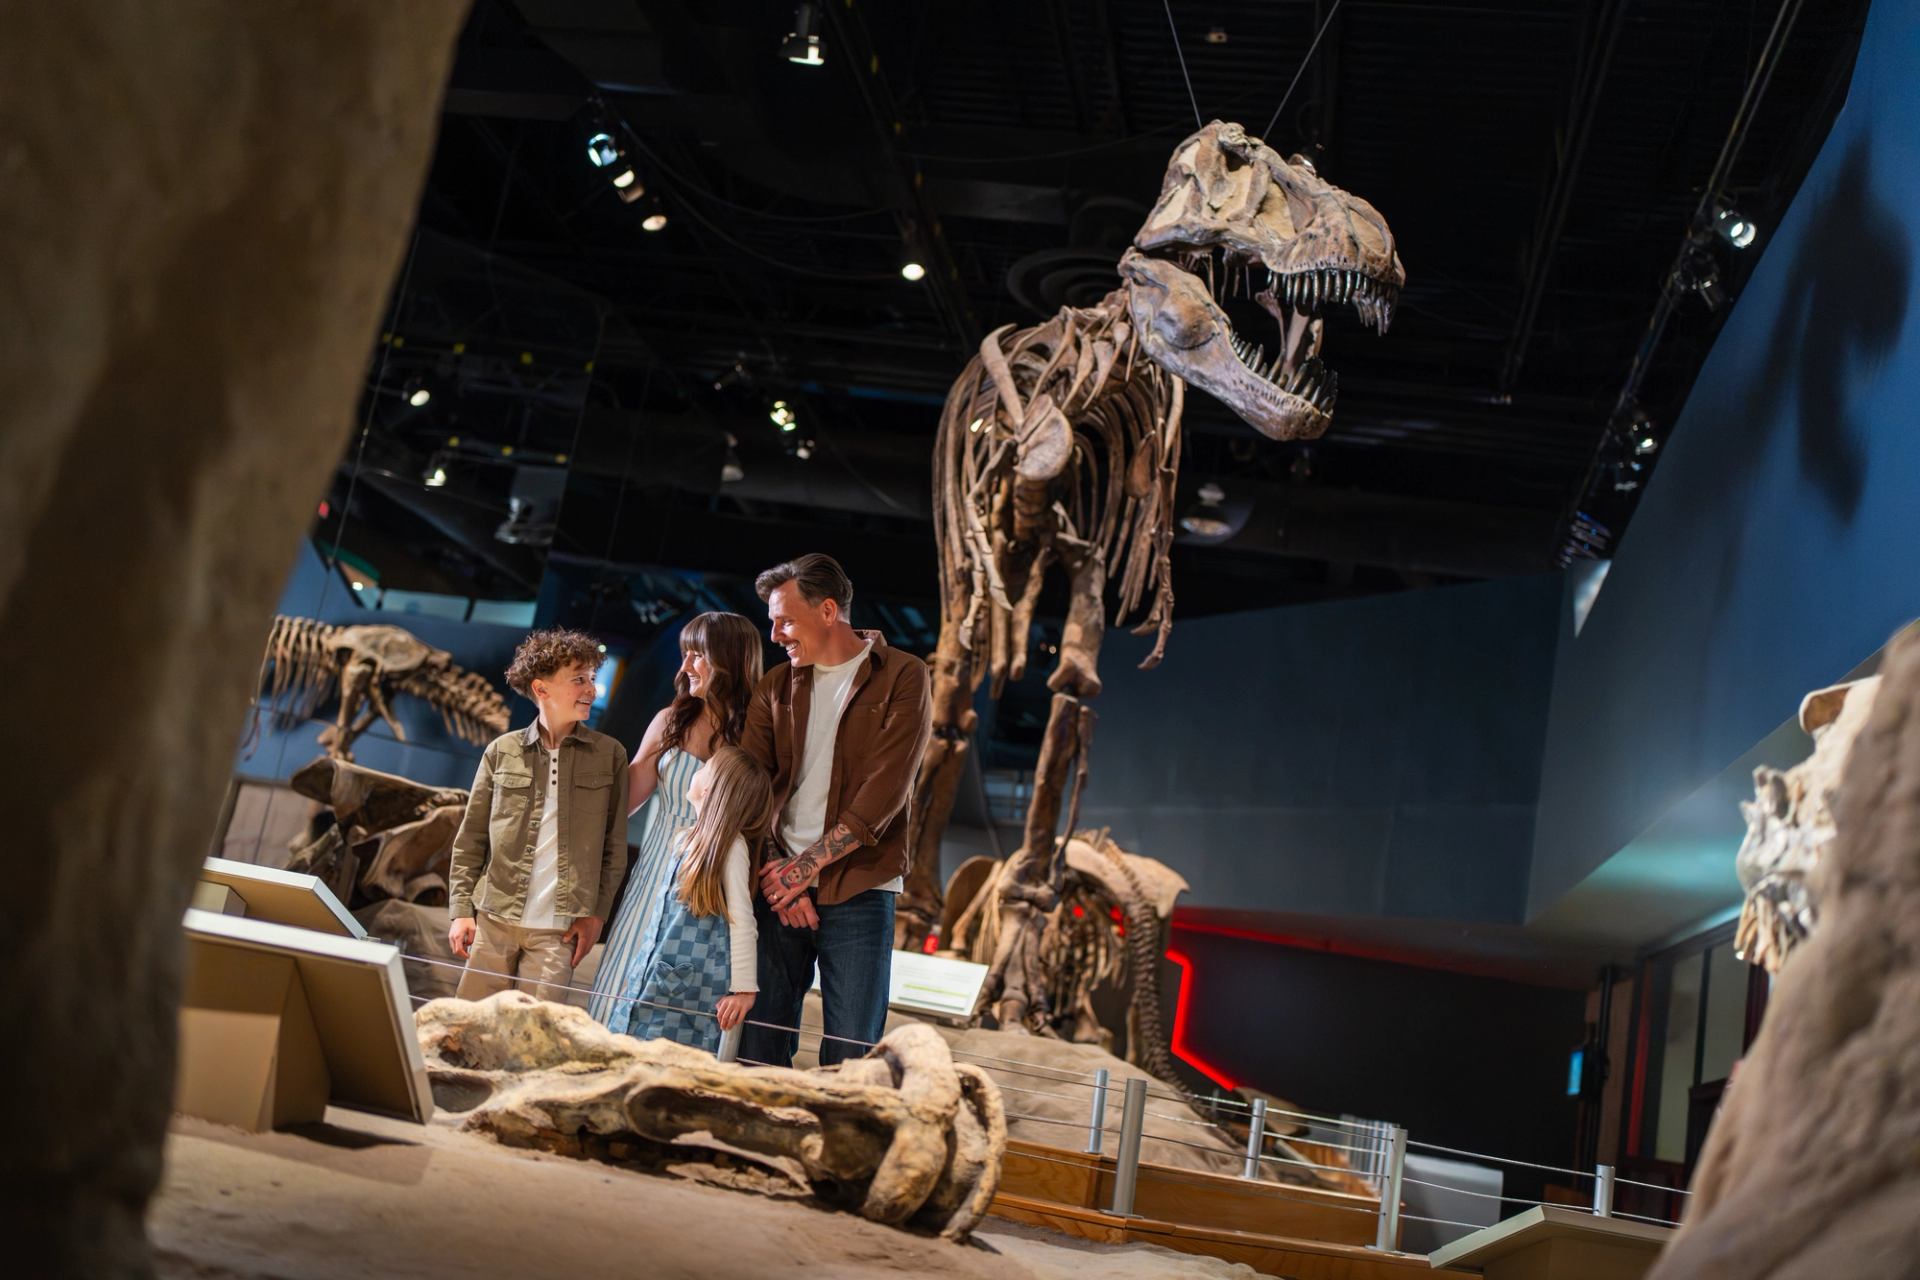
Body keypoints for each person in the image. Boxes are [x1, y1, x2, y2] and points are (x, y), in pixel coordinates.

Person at [739, 554, 933, 1067]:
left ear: (828, 611)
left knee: (852, 1054)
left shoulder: (904, 676)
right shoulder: (774, 686)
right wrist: (783, 876)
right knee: (759, 1043)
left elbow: (885, 792)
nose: (776, 634)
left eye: (785, 620)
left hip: (861, 888)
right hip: (778, 883)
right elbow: (750, 789)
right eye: (772, 622)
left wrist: (806, 871)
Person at [589, 611, 764, 1024]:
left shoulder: (757, 734)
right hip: (654, 872)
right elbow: (623, 801)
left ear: (730, 659)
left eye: (697, 655)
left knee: (679, 1007)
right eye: (684, 655)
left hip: (711, 883)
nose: (685, 667)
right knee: (619, 986)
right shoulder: (670, 721)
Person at [448, 628, 629, 1003]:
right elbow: (471, 839)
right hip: (494, 920)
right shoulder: (502, 751)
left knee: (534, 1041)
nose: (591, 690)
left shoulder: (610, 755)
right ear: (542, 689)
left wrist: (596, 915)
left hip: (558, 932)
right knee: (468, 1028)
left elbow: (614, 847)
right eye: (579, 679)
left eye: (592, 679)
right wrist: (461, 910)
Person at [605, 746, 772, 1051]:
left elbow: (742, 920)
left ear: (710, 788)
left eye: (706, 766)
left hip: (690, 991)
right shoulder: (684, 840)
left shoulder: (731, 849)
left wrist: (745, 989)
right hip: (654, 974)